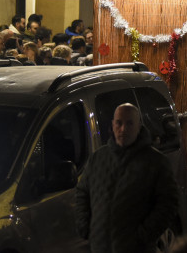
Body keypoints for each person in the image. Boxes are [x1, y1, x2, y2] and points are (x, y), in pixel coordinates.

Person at [75, 103, 179, 253]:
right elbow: (82, 192)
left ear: (139, 126)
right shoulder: (99, 158)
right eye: (119, 123)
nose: (123, 129)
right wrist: (85, 226)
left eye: (129, 123)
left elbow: (168, 203)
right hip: (100, 247)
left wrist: (143, 235)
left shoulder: (155, 162)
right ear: (113, 124)